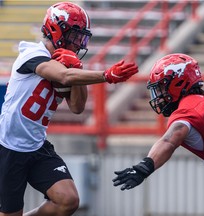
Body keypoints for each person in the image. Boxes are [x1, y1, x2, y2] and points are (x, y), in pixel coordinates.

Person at [0, 2, 138, 216]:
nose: (77, 43)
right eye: (74, 36)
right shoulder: (31, 53)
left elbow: (76, 106)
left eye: (80, 38)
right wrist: (106, 75)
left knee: (68, 200)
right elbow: (63, 76)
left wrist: (76, 68)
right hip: (8, 147)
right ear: (56, 30)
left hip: (36, 146)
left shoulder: (65, 64)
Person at [112, 53, 204, 215]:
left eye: (161, 88)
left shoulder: (186, 109)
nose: (159, 96)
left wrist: (144, 167)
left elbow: (170, 140)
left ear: (178, 83)